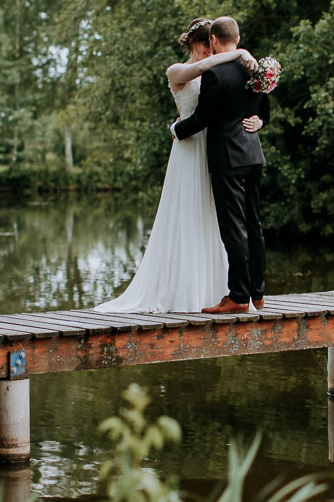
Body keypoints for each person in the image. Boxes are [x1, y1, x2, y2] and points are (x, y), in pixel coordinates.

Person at [94, 18, 262, 313]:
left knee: (217, 221)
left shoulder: (221, 71)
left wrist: (259, 119)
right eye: (208, 48)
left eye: (214, 49)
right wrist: (238, 52)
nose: (211, 55)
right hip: (189, 149)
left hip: (217, 151)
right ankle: (183, 290)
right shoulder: (179, 70)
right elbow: (198, 70)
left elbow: (240, 105)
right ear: (200, 45)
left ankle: (221, 289)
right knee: (186, 216)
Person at [172, 16, 269, 315]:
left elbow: (204, 118)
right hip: (253, 155)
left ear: (214, 40)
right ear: (237, 39)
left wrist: (176, 131)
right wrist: (260, 121)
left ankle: (237, 296)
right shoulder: (256, 70)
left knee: (234, 228)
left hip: (227, 158)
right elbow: (264, 110)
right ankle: (258, 293)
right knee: (254, 225)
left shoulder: (216, 74)